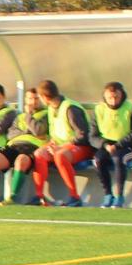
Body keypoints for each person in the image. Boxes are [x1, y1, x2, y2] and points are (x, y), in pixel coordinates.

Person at [33, 79, 94, 207]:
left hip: (82, 147)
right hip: (62, 146)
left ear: (44, 97)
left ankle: (75, 197)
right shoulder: (51, 108)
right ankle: (39, 196)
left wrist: (61, 146)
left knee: (60, 155)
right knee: (39, 153)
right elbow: (56, 132)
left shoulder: (70, 108)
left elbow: (83, 135)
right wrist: (52, 143)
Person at [92, 82, 132, 208]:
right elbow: (92, 135)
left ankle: (120, 196)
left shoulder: (131, 109)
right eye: (110, 98)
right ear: (105, 97)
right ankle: (108, 195)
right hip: (107, 146)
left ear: (122, 95)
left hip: (131, 147)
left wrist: (118, 145)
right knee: (97, 160)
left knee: (118, 159)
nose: (113, 100)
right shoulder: (99, 109)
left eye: (116, 97)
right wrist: (105, 145)